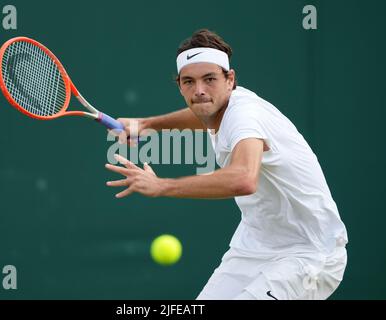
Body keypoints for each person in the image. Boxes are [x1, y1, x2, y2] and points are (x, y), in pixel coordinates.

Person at [105, 29, 348, 300]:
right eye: (189, 82)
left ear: (229, 79)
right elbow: (204, 111)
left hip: (309, 254)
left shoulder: (246, 115)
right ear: (179, 85)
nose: (199, 91)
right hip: (253, 248)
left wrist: (161, 185)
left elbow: (244, 178)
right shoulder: (222, 108)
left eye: (209, 79)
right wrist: (148, 124)